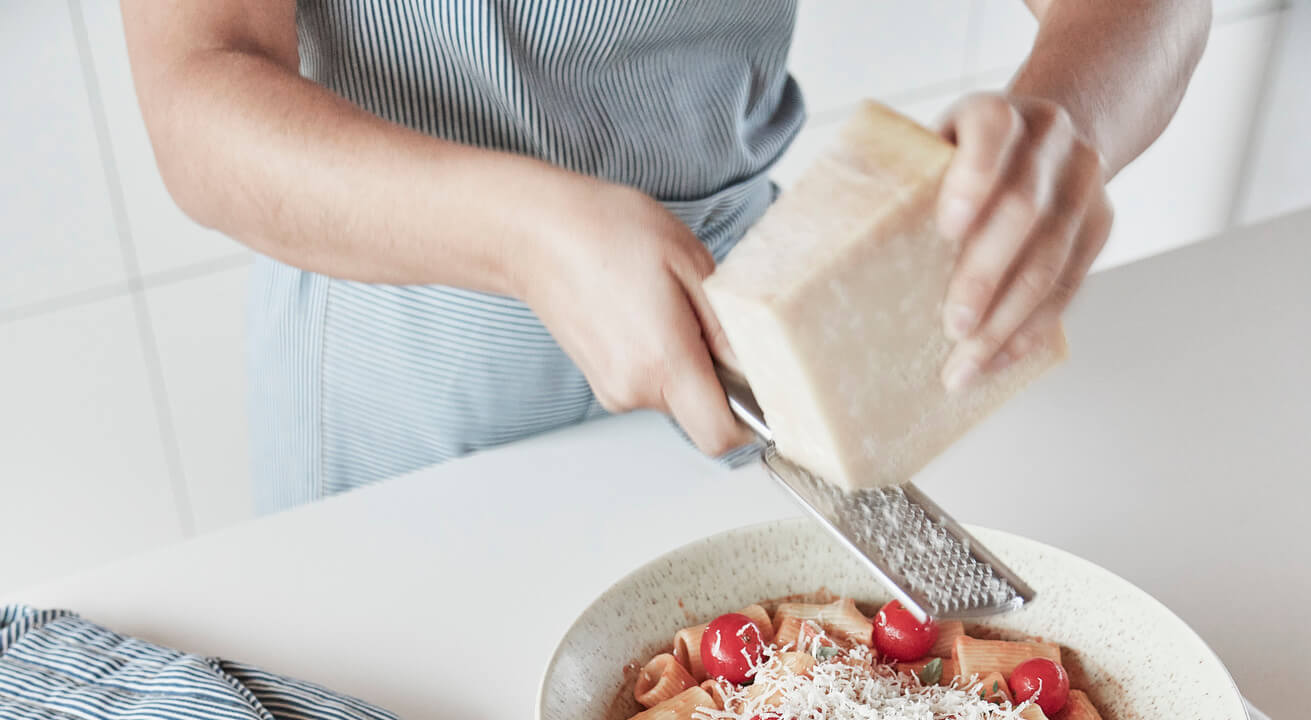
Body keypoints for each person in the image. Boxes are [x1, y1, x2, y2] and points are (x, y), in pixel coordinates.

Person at [122, 0, 1210, 514]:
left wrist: (1063, 121)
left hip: (748, 336)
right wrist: (522, 233)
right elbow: (197, 87)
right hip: (404, 362)